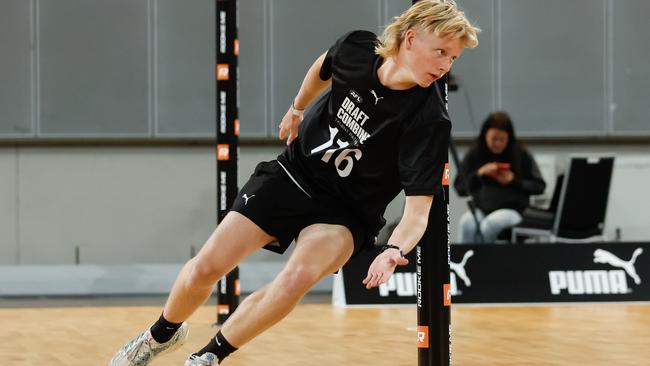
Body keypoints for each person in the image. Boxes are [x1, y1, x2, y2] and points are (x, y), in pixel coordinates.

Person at [109, 1, 479, 365]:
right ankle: (159, 336)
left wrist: (394, 250)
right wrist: (298, 107)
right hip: (294, 174)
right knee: (208, 266)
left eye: (454, 59)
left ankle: (208, 356)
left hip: (346, 213)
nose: (445, 66)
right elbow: (324, 66)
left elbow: (418, 211)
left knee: (296, 278)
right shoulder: (357, 48)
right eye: (441, 52)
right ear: (410, 40)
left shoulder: (428, 120)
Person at [454, 111, 546, 243]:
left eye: (501, 140)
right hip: (481, 208)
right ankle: (466, 261)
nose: (497, 144)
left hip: (513, 210)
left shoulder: (521, 153)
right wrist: (480, 173)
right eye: (493, 139)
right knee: (466, 223)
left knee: (490, 225)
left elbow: (539, 186)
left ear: (509, 138)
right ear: (485, 136)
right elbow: (460, 188)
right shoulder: (475, 153)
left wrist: (513, 181)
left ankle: (487, 261)